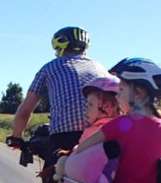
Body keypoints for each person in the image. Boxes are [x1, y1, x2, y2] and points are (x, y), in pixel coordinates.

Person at [70, 58, 161, 183]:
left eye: (121, 89)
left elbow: (81, 149)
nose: (117, 95)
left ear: (137, 93)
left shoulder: (119, 124)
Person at [8, 26, 111, 158]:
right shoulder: (100, 68)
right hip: (103, 136)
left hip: (65, 139)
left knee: (53, 173)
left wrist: (17, 137)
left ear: (59, 49)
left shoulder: (49, 68)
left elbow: (25, 111)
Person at [53, 76, 123, 183]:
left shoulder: (96, 131)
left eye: (90, 105)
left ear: (106, 108)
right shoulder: (120, 129)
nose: (86, 111)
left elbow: (80, 152)